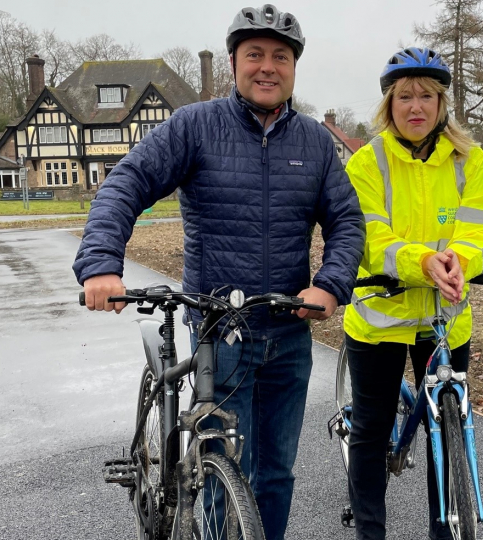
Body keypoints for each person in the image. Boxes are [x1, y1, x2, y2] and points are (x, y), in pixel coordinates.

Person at [73, 5, 365, 539]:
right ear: (234, 62)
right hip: (219, 329)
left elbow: (346, 220)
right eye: (254, 54)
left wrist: (329, 282)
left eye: (280, 56)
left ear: (294, 68)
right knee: (218, 468)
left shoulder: (316, 144)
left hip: (287, 329)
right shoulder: (195, 126)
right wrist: (100, 265)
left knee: (275, 473)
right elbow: (127, 183)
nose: (267, 67)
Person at [342, 47, 483, 540]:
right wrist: (423, 263)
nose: (416, 106)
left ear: (442, 105)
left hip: (446, 320)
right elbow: (367, 237)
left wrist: (461, 260)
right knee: (370, 434)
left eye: (427, 96)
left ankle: (445, 530)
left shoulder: (470, 161)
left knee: (445, 433)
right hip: (379, 321)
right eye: (405, 96)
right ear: (389, 104)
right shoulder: (366, 162)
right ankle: (370, 531)